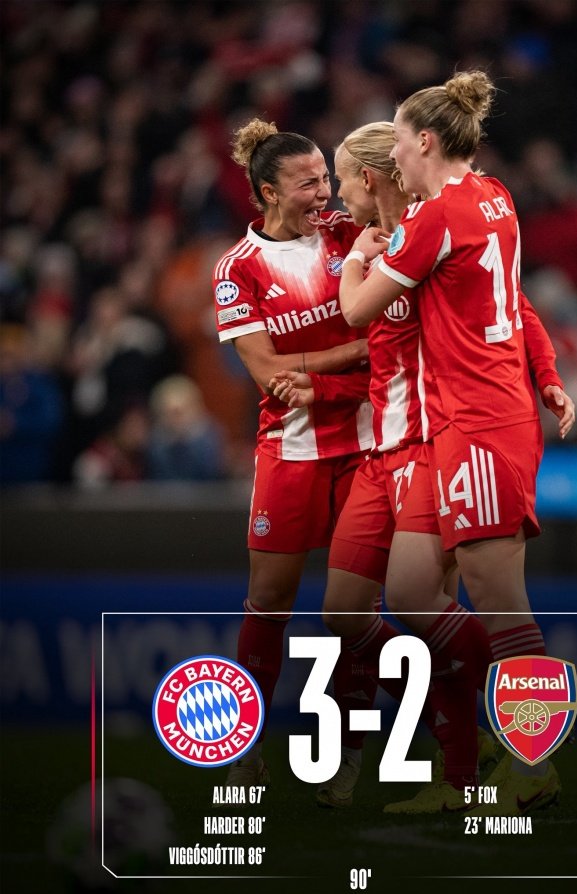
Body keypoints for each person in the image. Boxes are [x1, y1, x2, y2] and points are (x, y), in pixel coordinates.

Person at [272, 120, 574, 812]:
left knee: (440, 599)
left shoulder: (423, 234)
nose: (334, 195)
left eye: (340, 179)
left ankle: (476, 761)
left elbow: (509, 302)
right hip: (382, 449)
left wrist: (546, 373)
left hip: (438, 442)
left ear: (370, 176)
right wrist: (322, 386)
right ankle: (480, 737)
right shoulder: (377, 240)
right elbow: (372, 352)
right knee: (345, 610)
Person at [211, 118, 378, 791]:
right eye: (308, 183)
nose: (324, 192)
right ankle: (242, 744)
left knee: (355, 609)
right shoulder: (237, 270)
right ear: (269, 193)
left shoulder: (348, 233)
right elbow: (266, 373)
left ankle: (348, 752)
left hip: (368, 440)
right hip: (291, 445)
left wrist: (309, 363)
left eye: (325, 178)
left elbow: (299, 362)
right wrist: (354, 347)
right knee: (268, 600)